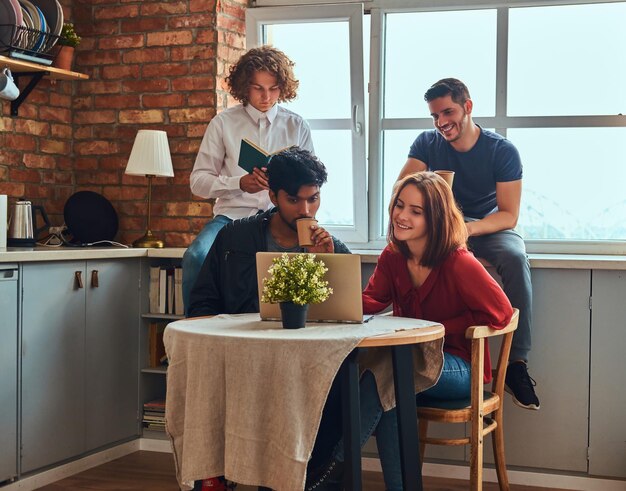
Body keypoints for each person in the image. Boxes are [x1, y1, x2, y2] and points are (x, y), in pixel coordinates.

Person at [306, 172, 514, 491]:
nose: (402, 216)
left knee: (389, 373)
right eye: (399, 206)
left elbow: (502, 312)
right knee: (389, 388)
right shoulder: (393, 256)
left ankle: (336, 467)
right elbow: (373, 299)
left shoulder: (458, 262)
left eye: (416, 211)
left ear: (436, 218)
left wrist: (440, 328)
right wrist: (329, 282)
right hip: (406, 365)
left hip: (458, 367)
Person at [188, 148, 349, 491]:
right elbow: (202, 301)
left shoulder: (329, 246)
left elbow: (349, 316)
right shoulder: (235, 237)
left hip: (305, 362)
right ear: (272, 196)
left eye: (314, 199)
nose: (306, 210)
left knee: (345, 385)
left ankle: (303, 479)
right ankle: (219, 470)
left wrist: (327, 263)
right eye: (294, 200)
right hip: (245, 353)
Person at [397, 78, 539, 410]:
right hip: (440, 228)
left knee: (516, 257)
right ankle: (416, 349)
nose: (441, 122)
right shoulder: (427, 143)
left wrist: (466, 229)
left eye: (448, 112)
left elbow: (508, 215)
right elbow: (402, 187)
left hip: (485, 227)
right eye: (435, 116)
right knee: (401, 254)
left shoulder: (501, 150)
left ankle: (517, 363)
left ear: (468, 107)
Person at [182, 45, 314, 312]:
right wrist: (237, 183)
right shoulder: (223, 123)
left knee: (320, 260)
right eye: (258, 88)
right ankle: (192, 333)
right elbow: (198, 181)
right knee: (195, 257)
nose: (266, 96)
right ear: (244, 86)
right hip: (231, 217)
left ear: (283, 87)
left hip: (282, 218)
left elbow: (312, 180)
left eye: (274, 88)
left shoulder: (296, 125)